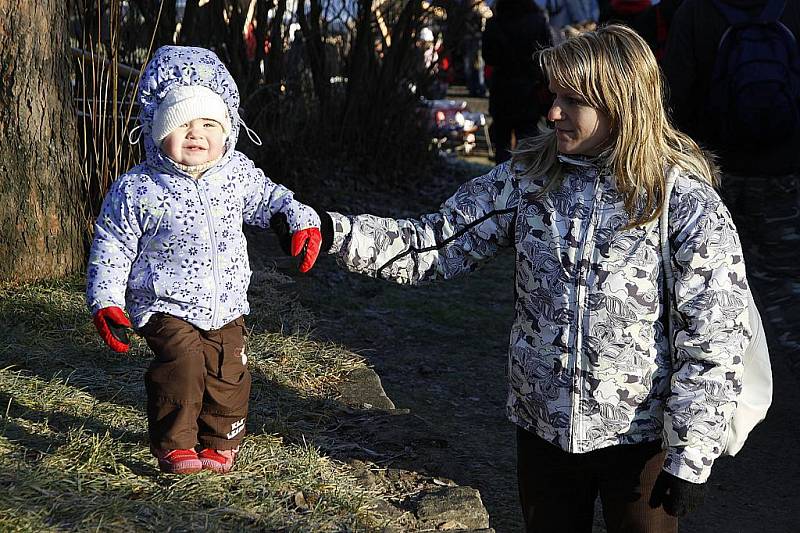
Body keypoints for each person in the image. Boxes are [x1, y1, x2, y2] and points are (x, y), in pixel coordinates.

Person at [306, 25, 751, 532]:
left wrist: (691, 454)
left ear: (622, 103)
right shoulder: (528, 180)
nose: (553, 113)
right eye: (554, 96)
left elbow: (714, 333)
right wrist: (330, 231)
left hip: (643, 440)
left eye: (572, 100)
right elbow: (436, 243)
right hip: (543, 431)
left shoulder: (682, 202)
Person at [85, 46, 322, 475]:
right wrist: (106, 301)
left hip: (226, 301)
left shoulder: (237, 173)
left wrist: (297, 220)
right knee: (184, 364)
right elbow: (112, 245)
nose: (196, 134)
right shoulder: (139, 188)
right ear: (157, 132)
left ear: (228, 130)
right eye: (181, 123)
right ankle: (174, 443)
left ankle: (219, 439)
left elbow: (273, 200)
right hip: (163, 301)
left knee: (228, 370)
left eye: (209, 124)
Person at [662, 0, 800, 373]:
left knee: (709, 280)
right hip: (782, 169)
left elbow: (674, 94)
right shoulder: (790, 8)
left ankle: (723, 374)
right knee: (785, 280)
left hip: (712, 173)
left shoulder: (695, 11)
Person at [482, 0, 552, 164]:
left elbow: (488, 56)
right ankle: (530, 179)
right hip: (529, 86)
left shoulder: (495, 23)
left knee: (502, 141)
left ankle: (500, 182)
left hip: (502, 85)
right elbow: (547, 53)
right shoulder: (537, 21)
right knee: (528, 138)